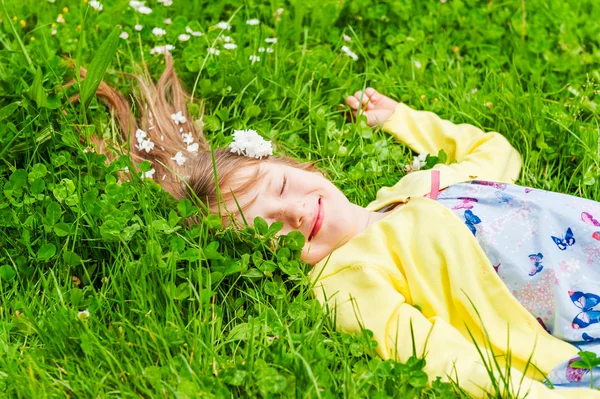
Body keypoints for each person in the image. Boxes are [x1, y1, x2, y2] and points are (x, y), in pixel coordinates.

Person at [84, 55, 600, 398]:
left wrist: (404, 119)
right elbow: (425, 348)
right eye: (271, 228)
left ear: (307, 169)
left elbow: (497, 155)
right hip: (577, 318)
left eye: (283, 190)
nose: (296, 215)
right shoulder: (343, 276)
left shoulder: (416, 188)